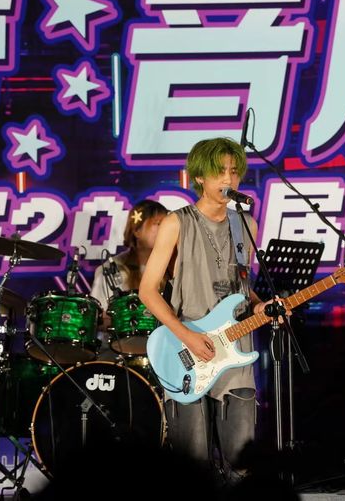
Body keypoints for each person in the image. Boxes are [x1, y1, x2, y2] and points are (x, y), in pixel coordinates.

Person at [139, 137, 273, 483]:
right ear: (199, 176)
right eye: (220, 172)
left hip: (235, 354)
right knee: (193, 467)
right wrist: (187, 335)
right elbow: (147, 291)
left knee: (240, 466)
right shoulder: (176, 223)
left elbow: (241, 286)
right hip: (187, 351)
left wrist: (259, 305)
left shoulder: (246, 225)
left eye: (234, 171)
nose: (229, 179)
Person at [90, 199, 168, 359]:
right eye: (157, 224)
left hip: (164, 351)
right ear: (137, 231)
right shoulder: (111, 269)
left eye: (166, 225)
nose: (164, 229)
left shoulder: (175, 268)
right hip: (119, 355)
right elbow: (97, 318)